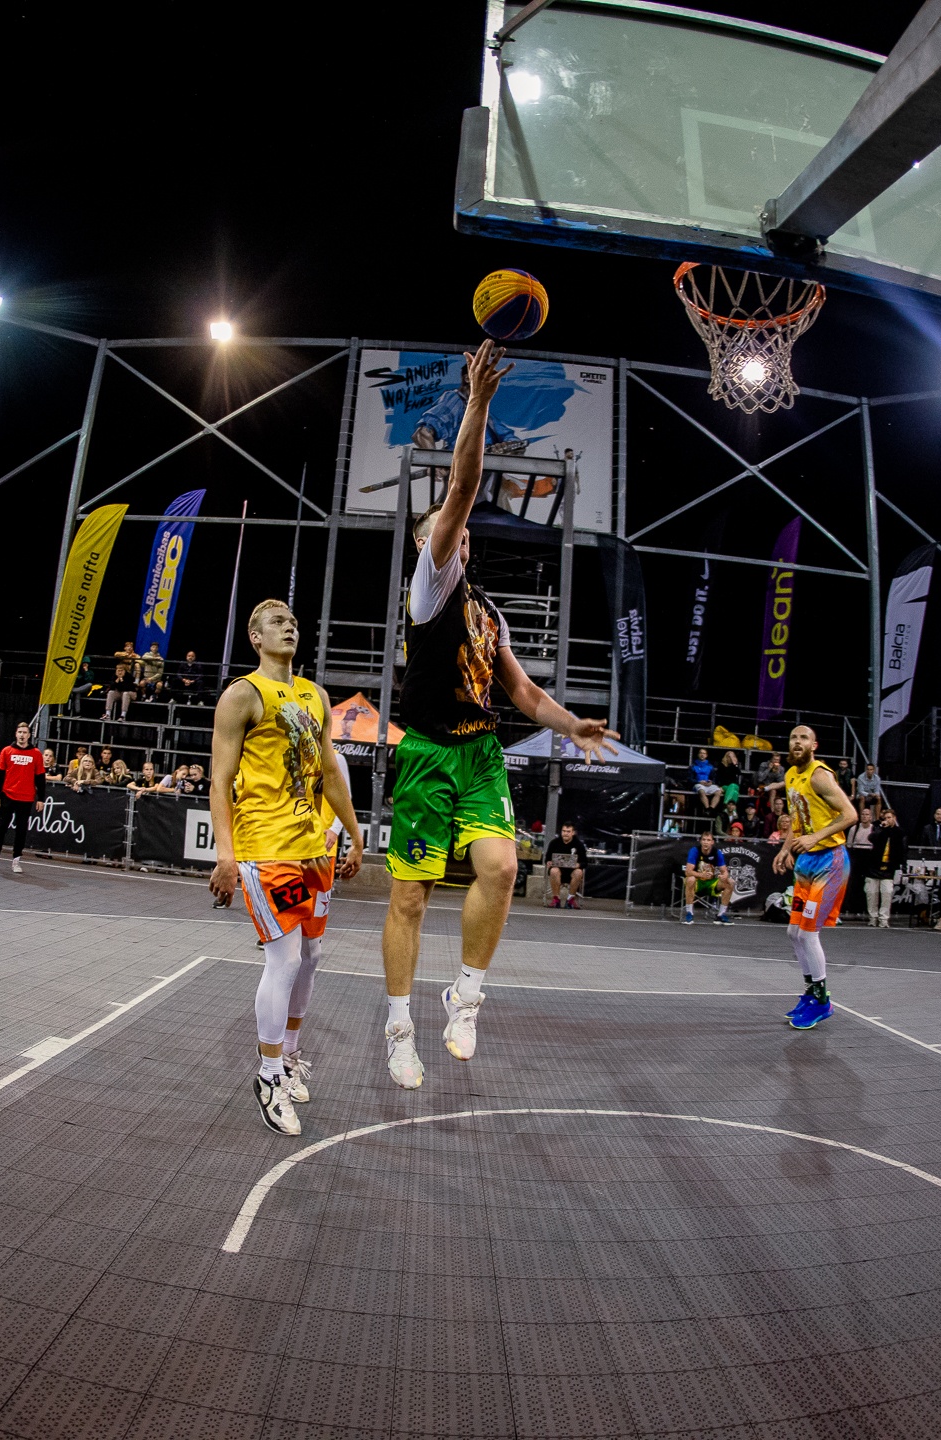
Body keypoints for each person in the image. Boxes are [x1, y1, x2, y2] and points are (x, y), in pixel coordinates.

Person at [378, 341, 614, 1089]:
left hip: (479, 753)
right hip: (426, 752)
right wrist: (477, 400)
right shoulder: (430, 584)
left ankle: (465, 996)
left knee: (505, 867)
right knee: (410, 896)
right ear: (430, 543)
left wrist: (571, 724)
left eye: (460, 528)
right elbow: (463, 484)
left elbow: (521, 693)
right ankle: (398, 1029)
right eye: (447, 526)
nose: (459, 529)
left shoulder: (488, 612)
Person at [208, 598, 364, 1136]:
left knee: (312, 956)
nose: (289, 627)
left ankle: (290, 1055)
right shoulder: (242, 695)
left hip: (313, 849)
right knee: (286, 957)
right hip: (266, 848)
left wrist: (355, 832)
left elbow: (329, 771)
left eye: (293, 622)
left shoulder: (315, 695)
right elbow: (219, 781)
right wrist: (226, 854)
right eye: (277, 622)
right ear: (255, 636)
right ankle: (269, 1074)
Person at [772, 724, 857, 1027]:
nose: (797, 742)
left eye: (803, 738)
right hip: (806, 861)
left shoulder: (820, 775)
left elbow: (850, 815)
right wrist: (786, 848)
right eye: (793, 737)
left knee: (808, 933)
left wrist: (814, 837)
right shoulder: (790, 775)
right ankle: (810, 992)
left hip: (829, 861)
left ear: (814, 745)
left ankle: (822, 1001)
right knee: (793, 932)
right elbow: (798, 819)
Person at [0, 721, 50, 874]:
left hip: (26, 798)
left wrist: (41, 798)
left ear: (29, 735)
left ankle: (16, 860)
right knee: (1, 828)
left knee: (21, 830)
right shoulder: (6, 751)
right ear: (16, 734)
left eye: (25, 732)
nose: (22, 735)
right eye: (20, 732)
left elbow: (40, 778)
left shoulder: (36, 753)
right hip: (7, 795)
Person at [683, 831, 731, 925]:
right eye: (704, 840)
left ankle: (721, 914)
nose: (706, 842)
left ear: (712, 842)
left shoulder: (717, 853)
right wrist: (702, 875)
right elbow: (687, 872)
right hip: (697, 882)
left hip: (711, 883)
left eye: (708, 840)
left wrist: (724, 875)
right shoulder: (695, 851)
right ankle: (689, 913)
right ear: (700, 841)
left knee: (730, 882)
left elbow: (724, 871)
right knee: (690, 879)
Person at [863, 807, 900, 927]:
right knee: (871, 893)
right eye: (885, 818)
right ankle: (873, 918)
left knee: (886, 893)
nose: (887, 820)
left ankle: (884, 919)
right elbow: (871, 838)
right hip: (874, 867)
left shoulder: (899, 832)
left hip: (888, 868)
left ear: (894, 818)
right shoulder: (878, 829)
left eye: (889, 818)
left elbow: (902, 850)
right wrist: (881, 828)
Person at [542, 821, 588, 909]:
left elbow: (585, 862)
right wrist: (548, 862)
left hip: (572, 873)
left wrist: (578, 865)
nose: (565, 833)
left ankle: (570, 900)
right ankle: (556, 899)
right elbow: (547, 858)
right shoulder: (554, 843)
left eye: (568, 831)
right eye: (563, 831)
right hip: (557, 872)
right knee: (553, 870)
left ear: (573, 833)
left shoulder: (579, 845)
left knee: (579, 872)